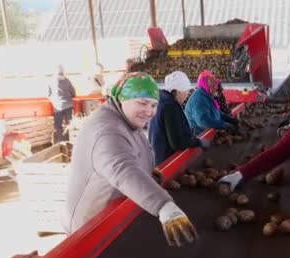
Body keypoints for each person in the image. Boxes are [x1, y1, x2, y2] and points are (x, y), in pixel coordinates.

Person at [62, 72, 198, 247]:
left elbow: (135, 153)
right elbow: (122, 169)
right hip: (90, 226)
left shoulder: (126, 120)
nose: (149, 111)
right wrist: (164, 206)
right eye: (142, 103)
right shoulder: (106, 130)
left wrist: (148, 172)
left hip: (113, 214)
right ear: (122, 98)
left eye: (153, 105)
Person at [149, 71, 211, 165]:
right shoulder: (170, 106)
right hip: (166, 161)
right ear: (178, 91)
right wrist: (199, 142)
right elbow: (178, 143)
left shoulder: (160, 99)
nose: (187, 96)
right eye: (186, 92)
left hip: (155, 156)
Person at [184, 70, 239, 135]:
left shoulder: (207, 95)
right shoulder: (199, 99)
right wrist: (225, 126)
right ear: (205, 85)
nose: (215, 88)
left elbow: (217, 113)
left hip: (209, 132)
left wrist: (230, 120)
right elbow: (203, 121)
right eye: (212, 86)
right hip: (200, 135)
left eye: (214, 85)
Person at [48, 64, 76, 143]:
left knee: (58, 126)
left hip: (57, 106)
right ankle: (70, 141)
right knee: (70, 124)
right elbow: (73, 93)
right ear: (63, 71)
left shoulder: (51, 81)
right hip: (68, 105)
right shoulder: (67, 80)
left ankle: (62, 141)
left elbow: (49, 94)